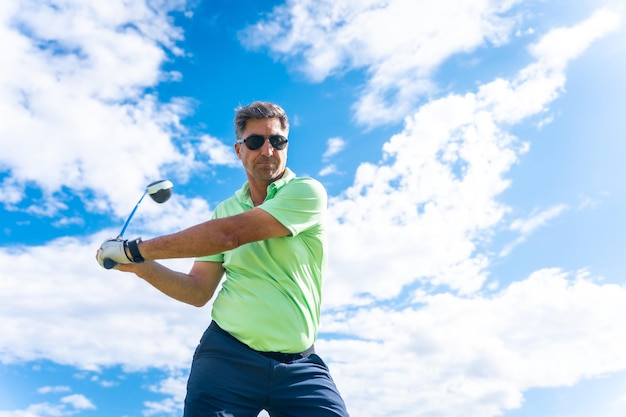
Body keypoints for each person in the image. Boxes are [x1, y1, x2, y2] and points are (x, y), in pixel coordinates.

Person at [96, 101, 350, 417]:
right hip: (226, 359)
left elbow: (231, 235)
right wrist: (139, 265)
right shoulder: (224, 210)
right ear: (238, 150)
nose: (268, 151)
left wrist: (135, 248)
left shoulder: (306, 192)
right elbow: (198, 290)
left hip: (300, 365)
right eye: (256, 142)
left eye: (277, 141)